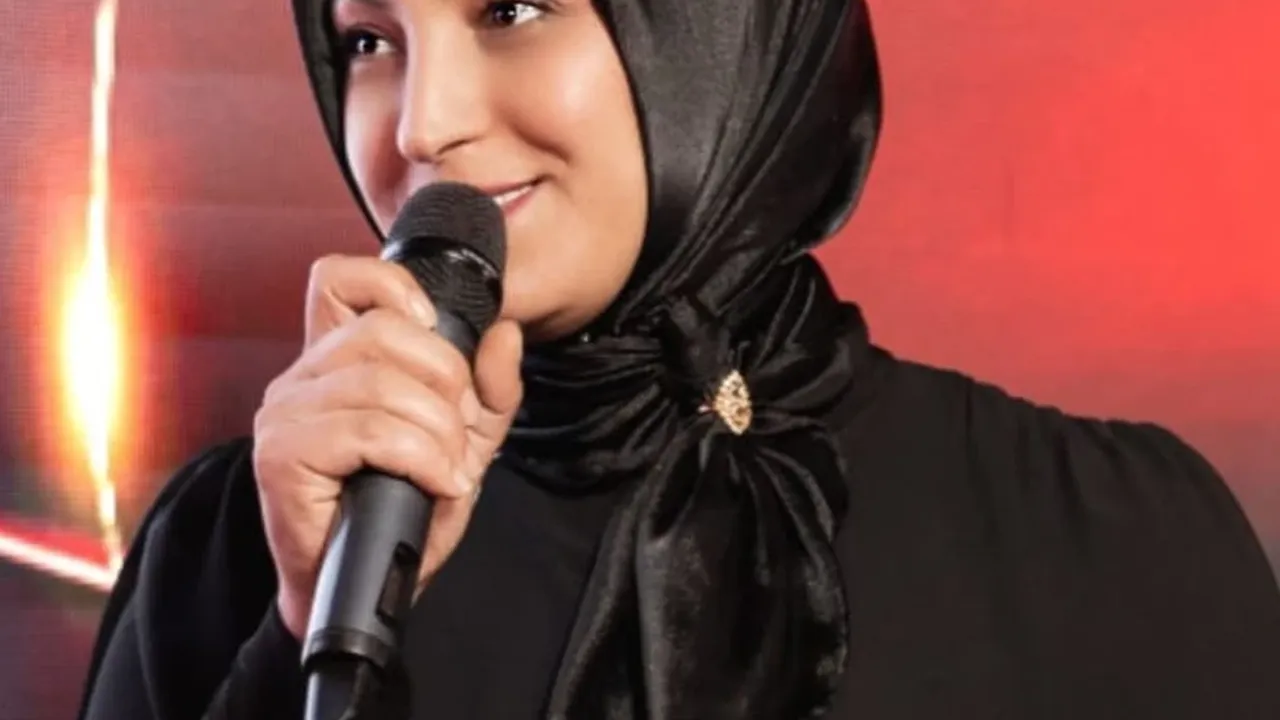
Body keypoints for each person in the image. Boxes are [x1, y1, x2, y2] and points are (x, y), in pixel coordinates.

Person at [77, 0, 1280, 718]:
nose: (421, 122)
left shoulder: (1108, 537)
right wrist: (304, 636)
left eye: (513, 7)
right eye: (368, 40)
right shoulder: (234, 555)